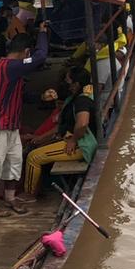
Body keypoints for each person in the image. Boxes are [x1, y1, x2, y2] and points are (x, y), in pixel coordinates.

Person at [0, 24, 49, 216]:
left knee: (14, 162)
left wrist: (40, 97)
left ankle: (9, 197)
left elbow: (19, 95)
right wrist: (42, 32)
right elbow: (41, 56)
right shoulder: (10, 66)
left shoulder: (10, 70)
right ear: (25, 52)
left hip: (9, 126)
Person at [21, 66, 96, 195]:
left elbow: (82, 124)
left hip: (81, 145)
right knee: (33, 146)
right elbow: (62, 126)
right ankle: (41, 186)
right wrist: (40, 137)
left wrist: (73, 141)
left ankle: (30, 195)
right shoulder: (74, 98)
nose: (66, 84)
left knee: (33, 157)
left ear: (76, 84)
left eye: (68, 81)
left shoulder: (82, 100)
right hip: (71, 138)